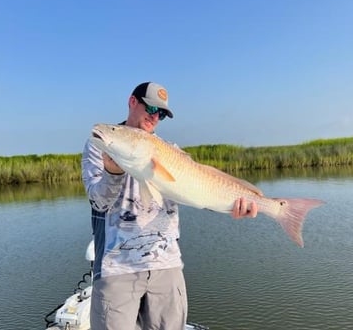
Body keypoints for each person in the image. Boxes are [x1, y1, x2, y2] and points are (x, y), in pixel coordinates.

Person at [81, 81, 258, 330]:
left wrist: (234, 205)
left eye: (161, 114)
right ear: (133, 102)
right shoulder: (100, 145)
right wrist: (112, 170)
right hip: (117, 268)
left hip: (167, 266)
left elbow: (198, 192)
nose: (156, 118)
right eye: (151, 109)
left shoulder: (171, 152)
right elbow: (98, 202)